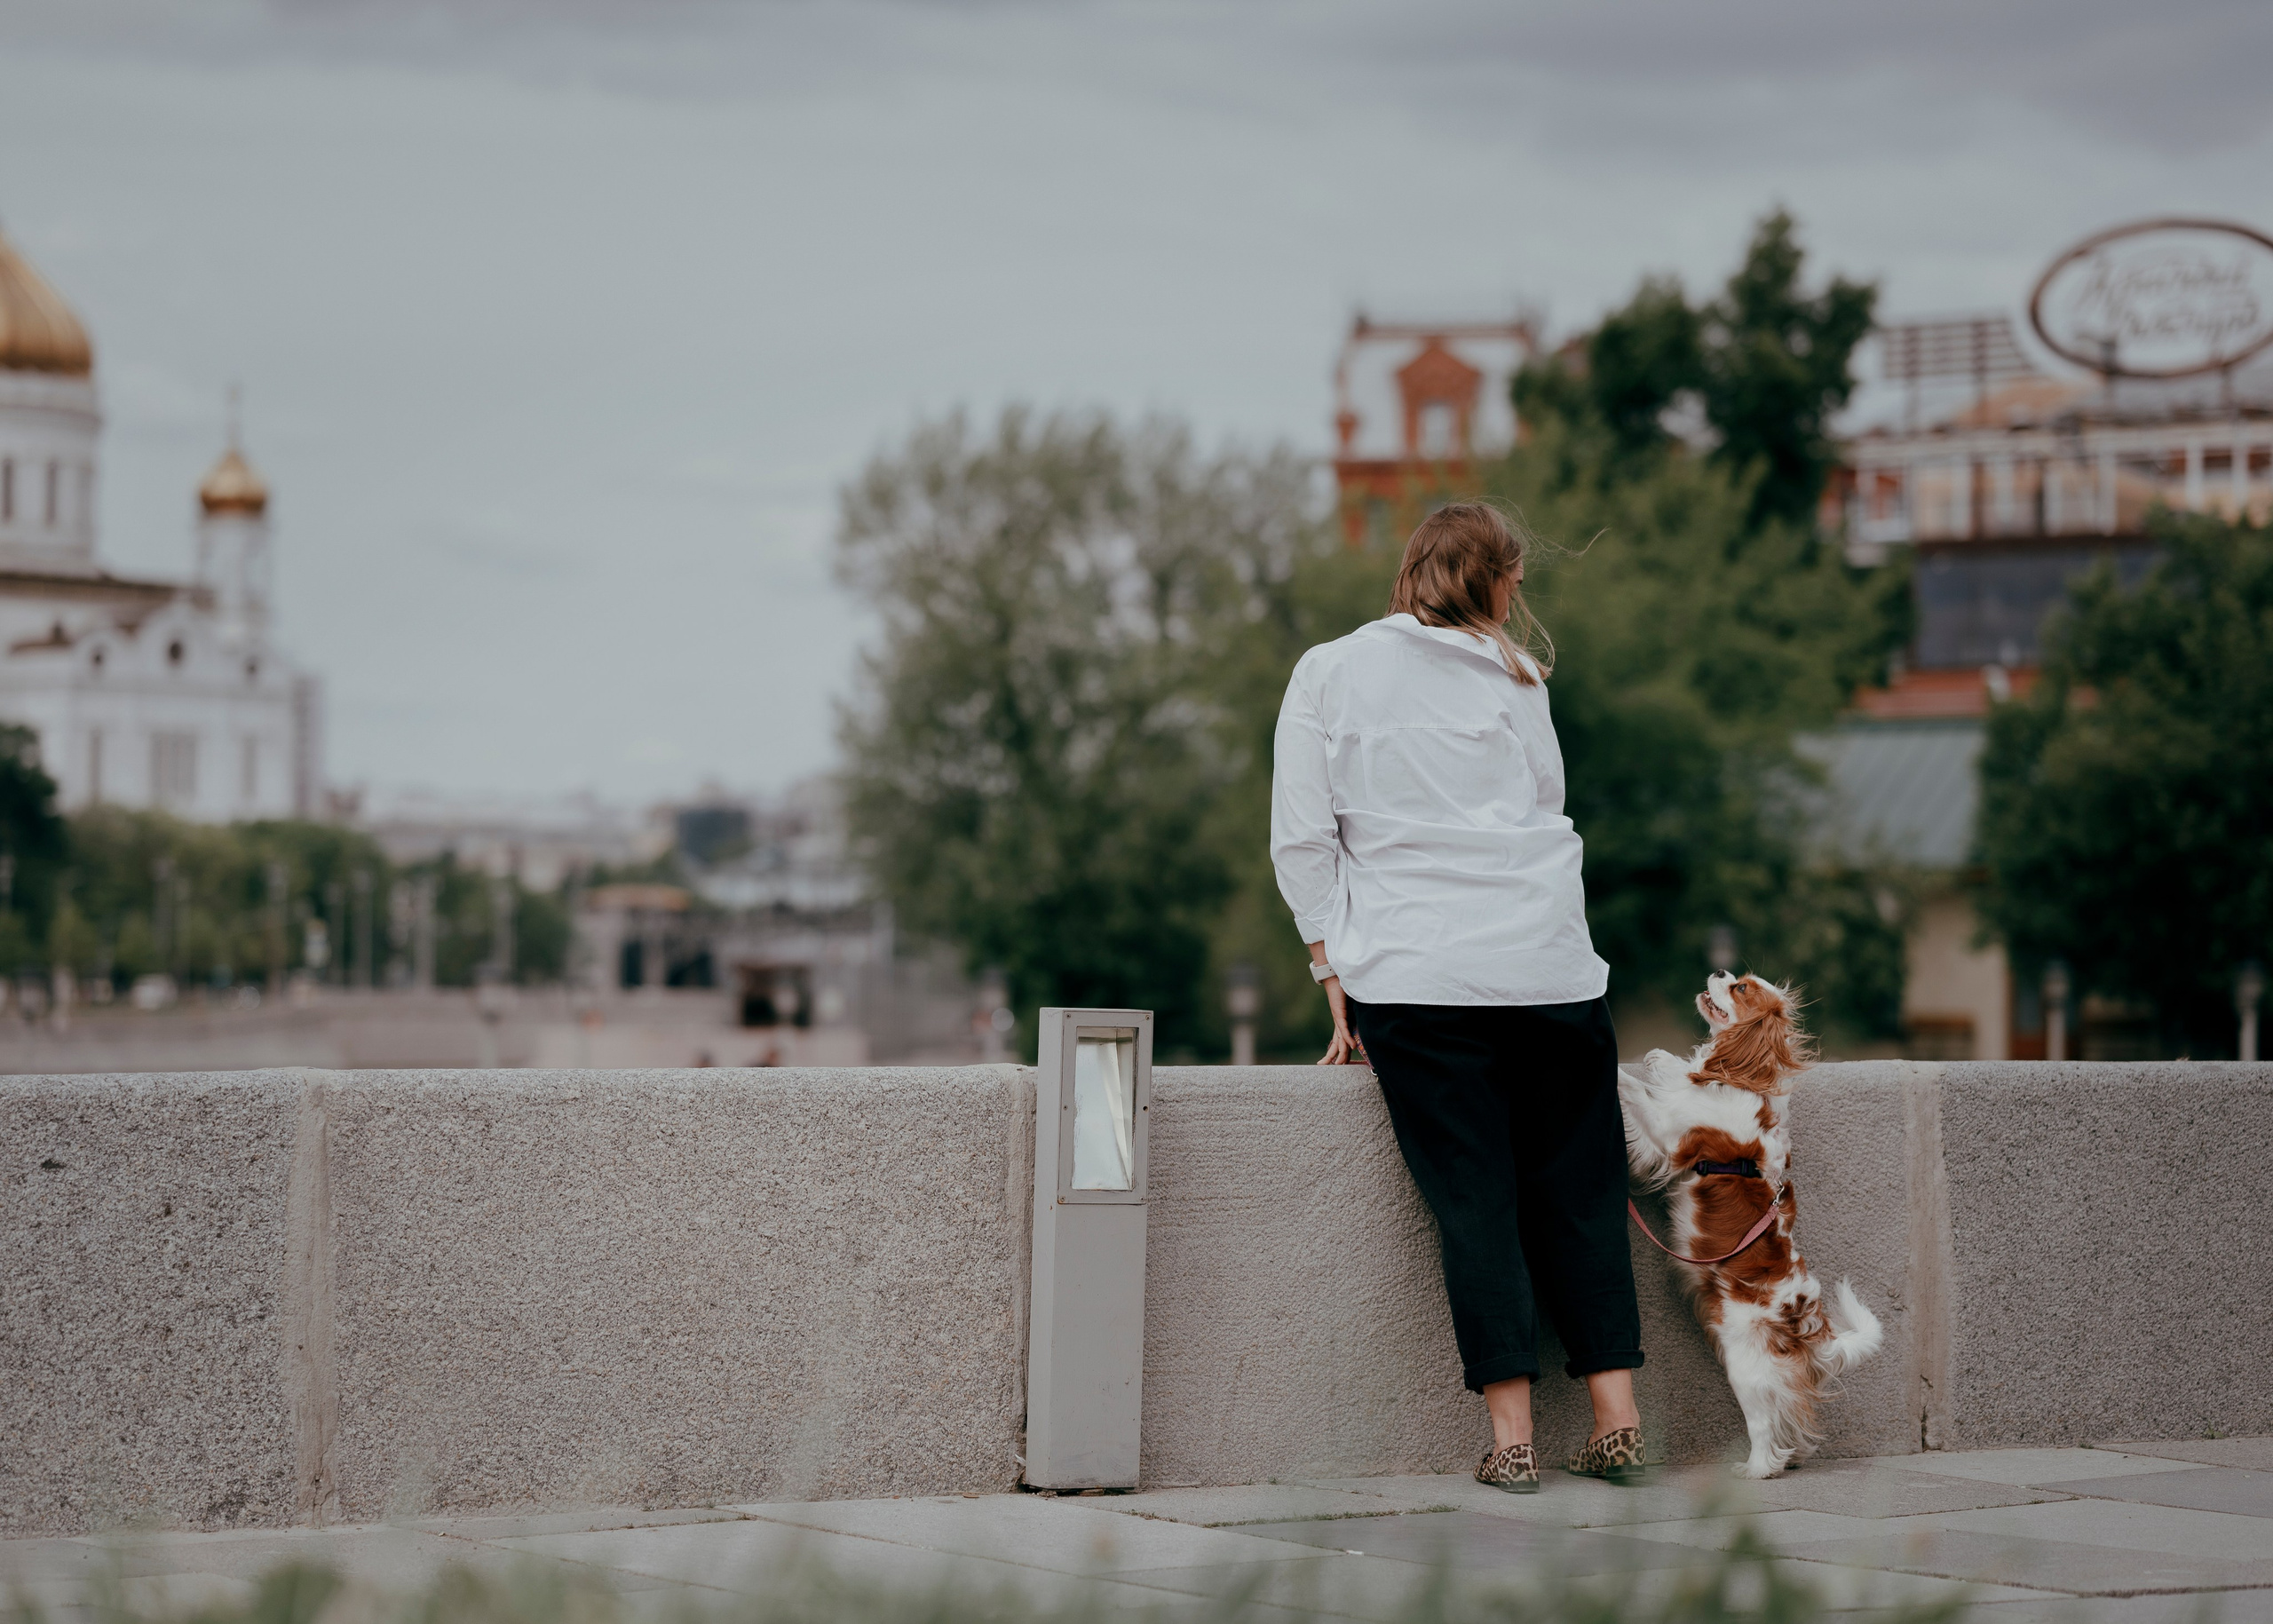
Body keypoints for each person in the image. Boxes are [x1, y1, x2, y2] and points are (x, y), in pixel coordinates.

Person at [1268, 501, 1645, 1493]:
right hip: (1547, 966)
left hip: (1417, 975)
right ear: (1496, 580)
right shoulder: (1518, 677)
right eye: (1517, 578)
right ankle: (1617, 1421)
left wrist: (1329, 969)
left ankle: (1513, 1441)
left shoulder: (1328, 670)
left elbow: (1302, 836)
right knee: (1581, 1190)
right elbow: (1543, 806)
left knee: (1475, 1199)